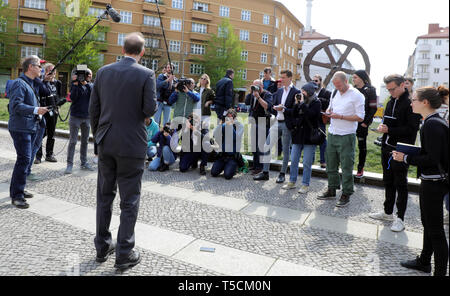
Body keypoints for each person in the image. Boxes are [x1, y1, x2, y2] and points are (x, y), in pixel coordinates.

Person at [89, 32, 157, 270]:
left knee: (104, 197)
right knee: (130, 200)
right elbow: (149, 109)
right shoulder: (147, 74)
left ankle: (102, 246)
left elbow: (93, 110)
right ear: (142, 52)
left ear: (123, 49)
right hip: (132, 144)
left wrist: (98, 139)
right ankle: (124, 252)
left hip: (106, 142)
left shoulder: (103, 72)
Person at [392, 86, 449, 276]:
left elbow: (432, 159)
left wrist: (405, 158)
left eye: (414, 99)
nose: (411, 102)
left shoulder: (432, 124)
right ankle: (424, 260)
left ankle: (439, 272)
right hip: (433, 180)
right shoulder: (434, 121)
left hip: (434, 182)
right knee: (429, 224)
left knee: (436, 231)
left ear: (425, 103)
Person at [368, 74, 421, 232]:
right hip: (386, 146)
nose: (390, 92)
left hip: (401, 149)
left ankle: (400, 218)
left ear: (403, 85)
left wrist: (389, 129)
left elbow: (411, 130)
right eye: (388, 89)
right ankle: (387, 212)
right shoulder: (390, 101)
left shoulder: (410, 103)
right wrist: (383, 128)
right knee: (388, 181)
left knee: (400, 183)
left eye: (393, 89)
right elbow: (388, 122)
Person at [317, 71, 365, 208]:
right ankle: (332, 189)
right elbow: (330, 107)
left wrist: (341, 116)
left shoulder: (357, 95)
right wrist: (328, 112)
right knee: (330, 164)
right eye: (335, 85)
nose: (337, 87)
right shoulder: (334, 92)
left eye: (339, 85)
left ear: (346, 81)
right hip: (332, 132)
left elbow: (360, 117)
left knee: (346, 165)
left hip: (347, 134)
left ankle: (346, 193)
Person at [8, 55, 49, 209]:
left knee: (26, 159)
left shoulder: (30, 83)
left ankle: (19, 189)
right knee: (24, 159)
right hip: (20, 128)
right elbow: (16, 106)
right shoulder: (19, 83)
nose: (41, 69)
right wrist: (35, 109)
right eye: (39, 66)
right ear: (30, 67)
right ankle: (17, 196)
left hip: (30, 126)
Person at [254, 70, 300, 183]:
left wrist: (283, 109)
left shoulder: (296, 92)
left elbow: (296, 111)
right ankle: (265, 173)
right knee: (266, 146)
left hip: (287, 124)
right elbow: (271, 106)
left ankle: (282, 174)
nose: (281, 80)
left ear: (290, 78)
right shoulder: (279, 91)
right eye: (281, 77)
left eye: (284, 77)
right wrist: (273, 108)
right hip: (276, 122)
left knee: (285, 150)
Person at [282, 82, 322, 194]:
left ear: (309, 92)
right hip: (298, 135)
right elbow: (294, 114)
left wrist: (303, 104)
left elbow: (311, 115)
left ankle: (305, 184)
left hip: (310, 136)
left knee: (306, 162)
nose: (301, 93)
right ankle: (292, 181)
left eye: (303, 91)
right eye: (301, 91)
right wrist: (296, 104)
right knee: (294, 159)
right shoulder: (300, 101)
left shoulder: (316, 102)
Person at [65, 68, 94, 174]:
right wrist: (76, 84)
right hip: (75, 117)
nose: (90, 76)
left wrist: (85, 84)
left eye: (90, 75)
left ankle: (84, 162)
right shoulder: (75, 85)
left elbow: (93, 94)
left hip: (87, 117)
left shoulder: (91, 86)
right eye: (88, 74)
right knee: (73, 141)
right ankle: (69, 164)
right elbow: (73, 97)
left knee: (85, 142)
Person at [35, 63, 64, 164]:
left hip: (54, 111)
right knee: (41, 133)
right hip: (43, 110)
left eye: (54, 71)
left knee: (51, 134)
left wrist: (58, 106)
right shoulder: (41, 82)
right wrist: (44, 81)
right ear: (46, 72)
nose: (53, 73)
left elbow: (59, 96)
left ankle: (49, 154)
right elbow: (38, 92)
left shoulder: (58, 83)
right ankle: (37, 156)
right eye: (51, 71)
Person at [352, 70, 378, 178]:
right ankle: (348, 167)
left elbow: (373, 108)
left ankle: (360, 168)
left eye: (355, 77)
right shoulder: (352, 90)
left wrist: (365, 123)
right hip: (351, 122)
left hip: (362, 123)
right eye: (353, 78)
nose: (353, 79)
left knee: (362, 146)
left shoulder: (370, 90)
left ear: (362, 78)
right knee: (349, 145)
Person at [245, 79, 272, 175]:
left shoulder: (267, 94)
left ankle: (260, 167)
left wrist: (258, 97)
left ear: (262, 86)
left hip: (262, 122)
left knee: (260, 145)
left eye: (257, 86)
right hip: (253, 121)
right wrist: (250, 92)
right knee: (253, 145)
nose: (255, 88)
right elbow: (246, 102)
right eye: (254, 86)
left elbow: (267, 106)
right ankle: (255, 164)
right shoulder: (252, 94)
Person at [211, 109, 244, 180]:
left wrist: (230, 126)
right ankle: (224, 166)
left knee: (227, 175)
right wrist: (220, 124)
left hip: (232, 156)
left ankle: (235, 167)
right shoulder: (224, 125)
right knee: (214, 173)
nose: (228, 119)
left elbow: (236, 138)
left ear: (234, 118)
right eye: (227, 117)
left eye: (230, 117)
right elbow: (215, 135)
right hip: (223, 155)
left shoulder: (239, 126)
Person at [313, 74, 331, 169]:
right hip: (311, 119)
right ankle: (311, 160)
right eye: (313, 81)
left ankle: (323, 161)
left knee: (322, 140)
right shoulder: (311, 91)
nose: (314, 83)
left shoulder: (327, 92)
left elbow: (328, 103)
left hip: (321, 119)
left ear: (320, 81)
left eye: (316, 81)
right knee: (311, 140)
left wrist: (317, 99)